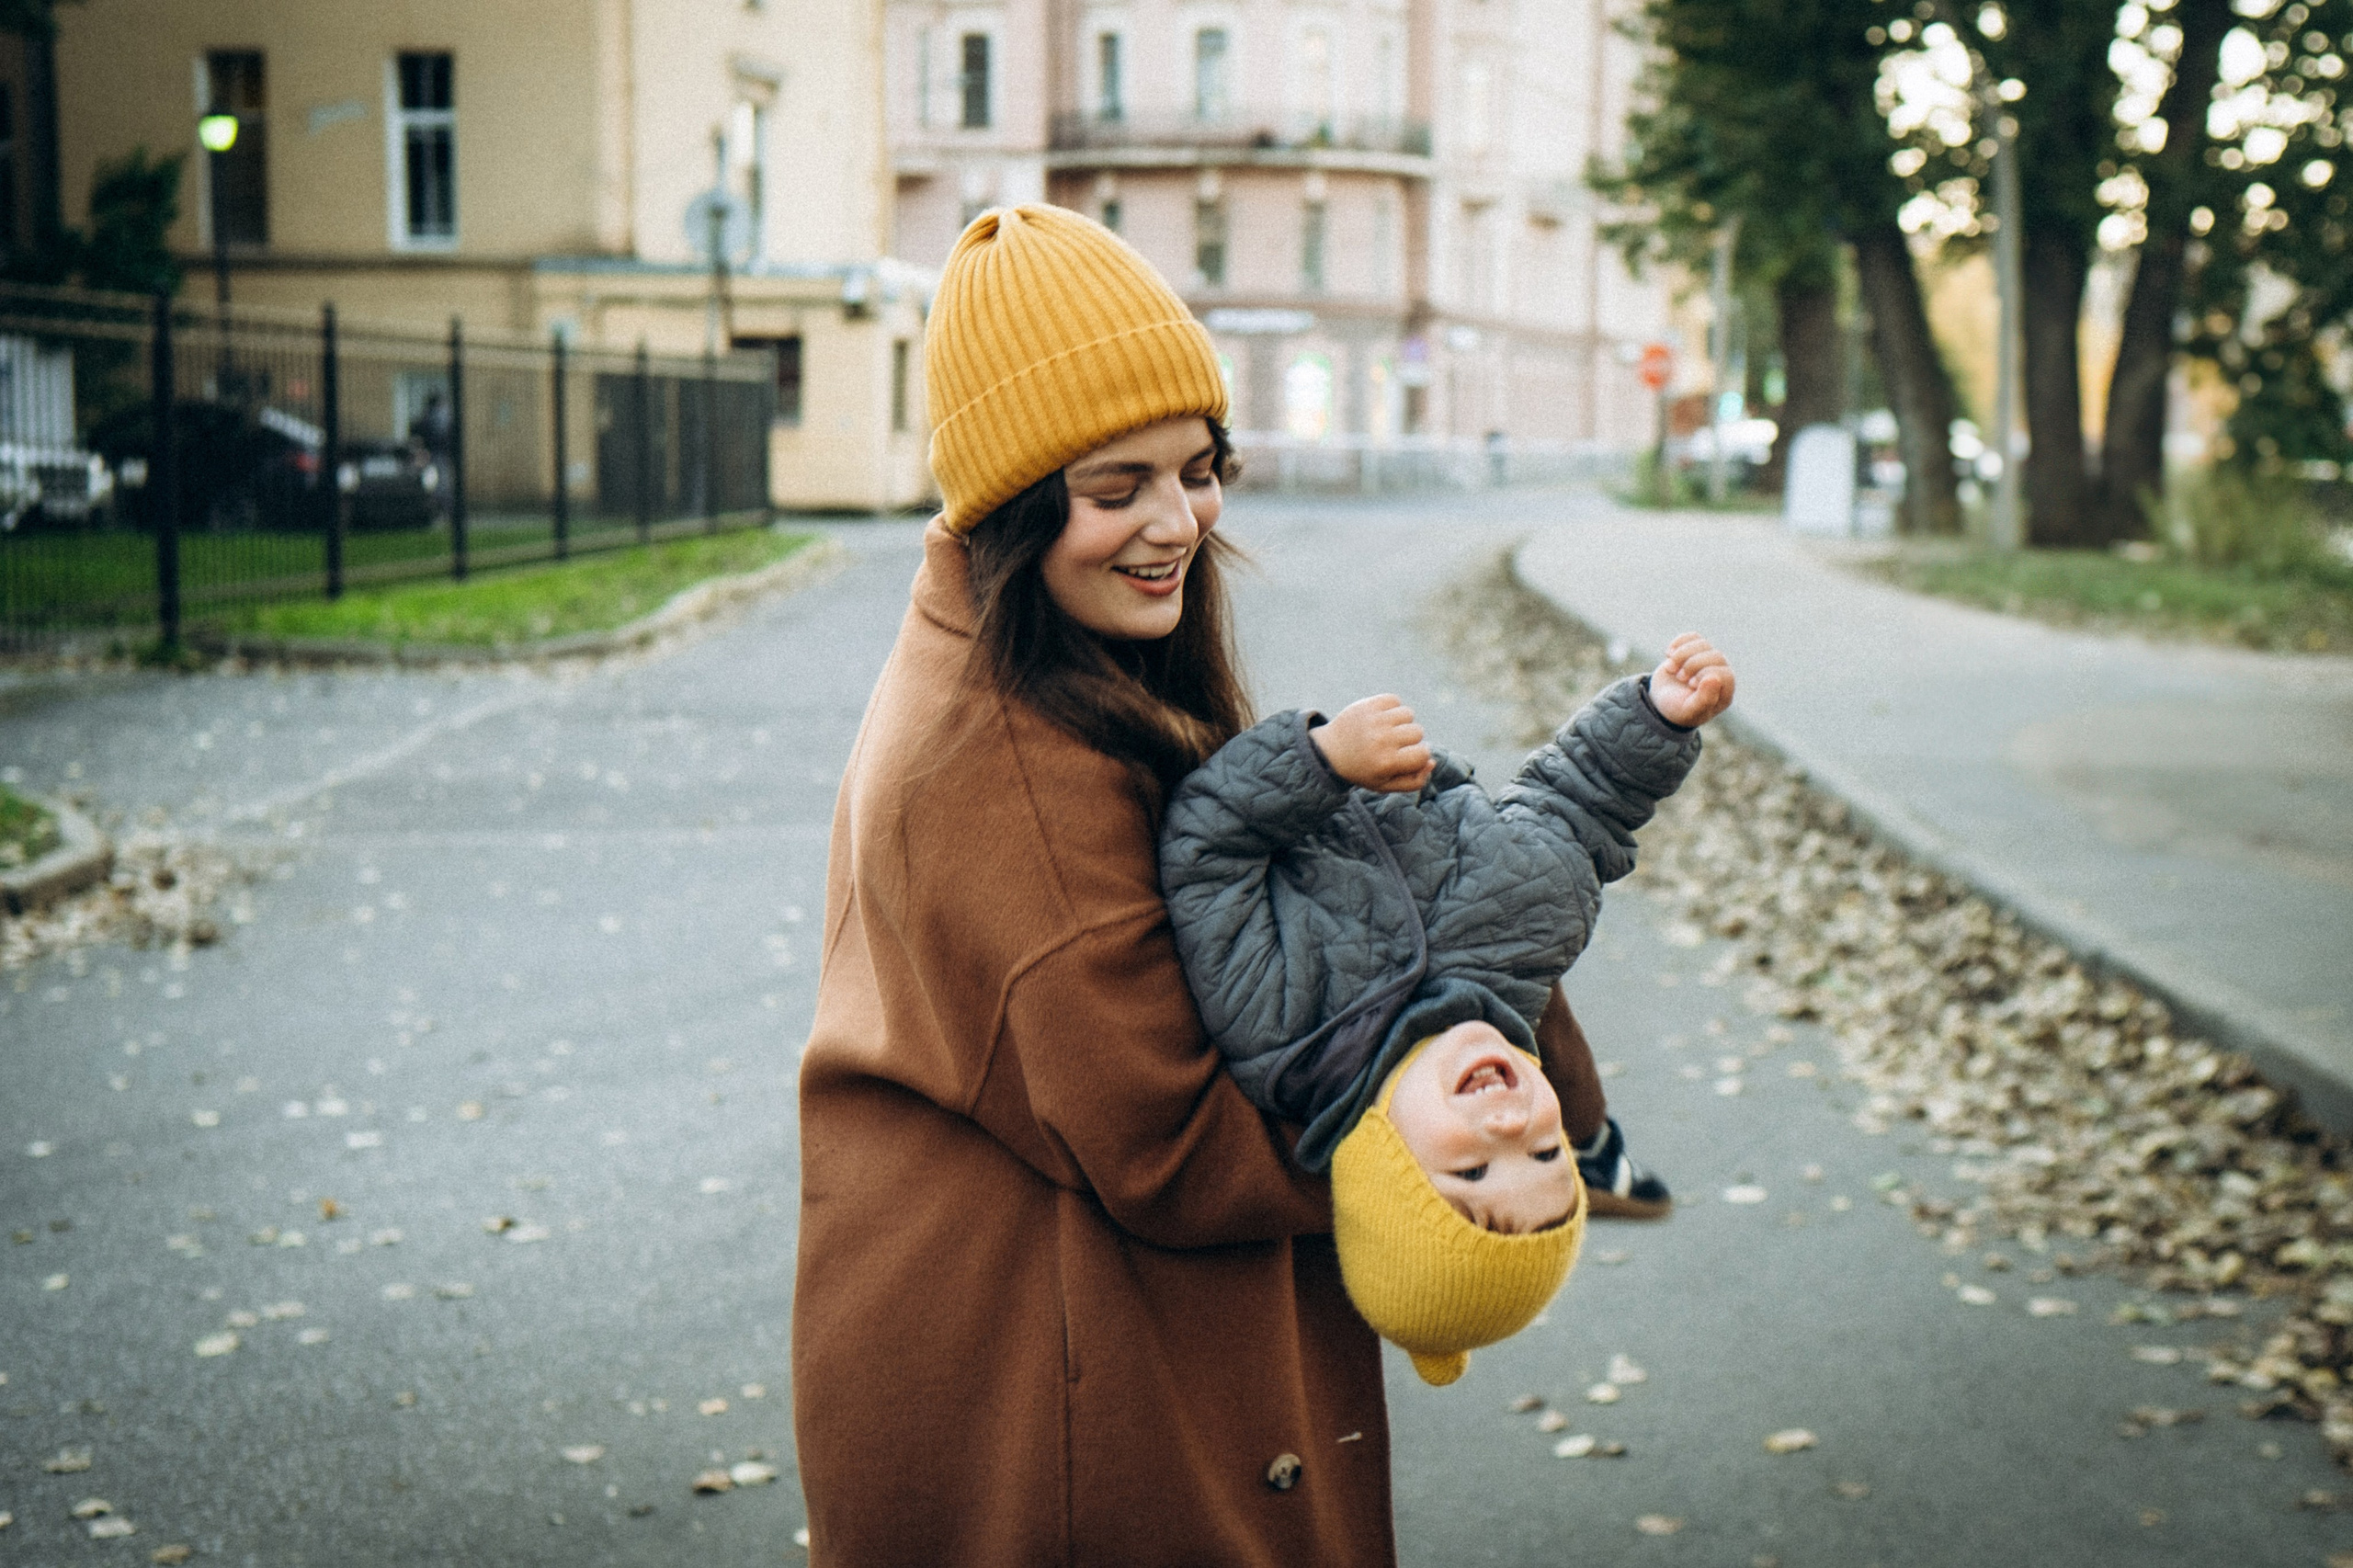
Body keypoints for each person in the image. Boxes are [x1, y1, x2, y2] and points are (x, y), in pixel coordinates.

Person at [792, 204, 1653, 1566]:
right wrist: (1475, 1155)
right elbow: (1165, 1139)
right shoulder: (1002, 759)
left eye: (1198, 469)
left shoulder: (1071, 664)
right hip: (1056, 1360)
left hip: (1081, 1313)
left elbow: (1296, 932)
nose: (1175, 522)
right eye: (1112, 484)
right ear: (1013, 505)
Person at [1157, 643, 1733, 1384]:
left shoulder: (1276, 1027)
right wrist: (1658, 717)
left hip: (1276, 756)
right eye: (1549, 1154)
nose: (1513, 1128)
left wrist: (1319, 762)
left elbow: (1202, 855)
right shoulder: (1538, 927)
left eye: (1472, 1167)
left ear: (1382, 1170)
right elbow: (1584, 796)